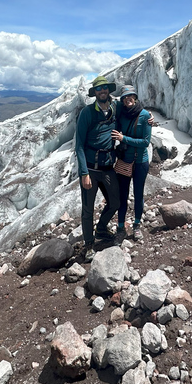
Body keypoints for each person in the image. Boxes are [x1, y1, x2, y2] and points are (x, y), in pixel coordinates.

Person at [75, 75, 120, 258]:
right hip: (91, 169)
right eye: (99, 89)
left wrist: (147, 117)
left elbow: (133, 110)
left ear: (108, 90)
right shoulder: (87, 112)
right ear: (95, 93)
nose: (102, 91)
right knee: (88, 209)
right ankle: (88, 244)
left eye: (105, 88)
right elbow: (78, 145)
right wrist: (84, 173)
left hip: (108, 167)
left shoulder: (114, 108)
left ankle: (101, 229)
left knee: (115, 202)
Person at [112, 85, 152, 241]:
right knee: (122, 196)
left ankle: (136, 225)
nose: (128, 99)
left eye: (131, 96)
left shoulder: (144, 116)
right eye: (125, 97)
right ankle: (120, 227)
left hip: (140, 162)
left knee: (138, 195)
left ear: (135, 98)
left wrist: (124, 139)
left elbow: (145, 142)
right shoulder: (122, 115)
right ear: (122, 100)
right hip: (124, 161)